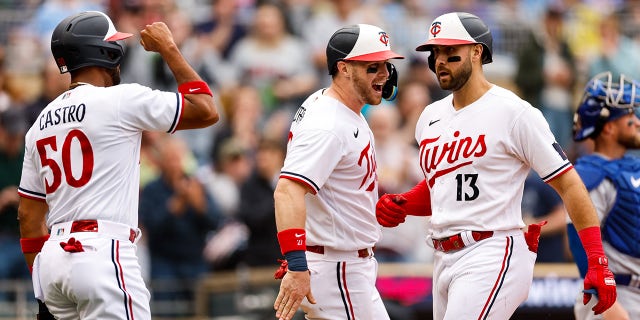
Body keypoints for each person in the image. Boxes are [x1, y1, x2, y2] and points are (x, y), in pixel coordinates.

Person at [374, 12, 617, 320]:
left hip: (492, 250)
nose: (440, 60)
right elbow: (442, 186)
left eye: (451, 52)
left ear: (477, 52)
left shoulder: (514, 112)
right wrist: (405, 203)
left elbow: (569, 184)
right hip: (443, 255)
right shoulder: (430, 117)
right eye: (435, 52)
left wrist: (597, 259)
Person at [17, 11, 219, 319]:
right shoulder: (121, 100)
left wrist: (41, 279)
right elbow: (206, 110)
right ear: (106, 53)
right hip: (103, 253)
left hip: (53, 260)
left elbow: (28, 217)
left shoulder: (39, 124)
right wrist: (169, 48)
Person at [272, 23, 404, 320]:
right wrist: (296, 264)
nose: (384, 74)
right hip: (337, 268)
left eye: (386, 64)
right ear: (344, 68)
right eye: (373, 66)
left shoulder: (343, 108)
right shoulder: (329, 123)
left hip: (340, 263)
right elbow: (288, 191)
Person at [569, 71, 639, 320]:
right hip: (613, 296)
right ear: (609, 127)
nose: (637, 121)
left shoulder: (631, 168)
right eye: (630, 115)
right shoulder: (590, 173)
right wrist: (609, 306)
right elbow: (579, 242)